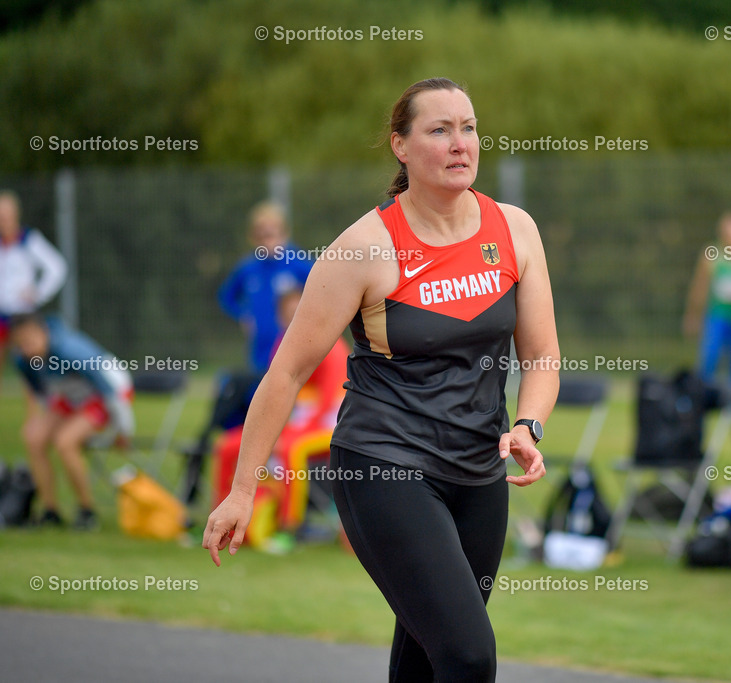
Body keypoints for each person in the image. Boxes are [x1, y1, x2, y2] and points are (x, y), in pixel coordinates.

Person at [204, 78, 559, 682]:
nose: (459, 144)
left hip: (478, 472)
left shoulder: (515, 230)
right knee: (469, 656)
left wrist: (528, 425)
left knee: (425, 660)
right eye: (439, 130)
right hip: (384, 465)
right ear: (400, 145)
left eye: (468, 128)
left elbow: (543, 353)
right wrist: (242, 489)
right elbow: (287, 371)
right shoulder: (364, 248)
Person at [180, 201, 313, 505]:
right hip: (258, 360)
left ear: (285, 232)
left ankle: (288, 496)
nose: (269, 239)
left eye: (274, 232)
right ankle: (252, 488)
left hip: (295, 361)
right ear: (254, 237)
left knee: (284, 419)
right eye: (262, 234)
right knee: (254, 417)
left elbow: (326, 295)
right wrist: (243, 315)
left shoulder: (300, 264)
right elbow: (226, 296)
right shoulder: (248, 268)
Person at [209, 285, 350, 530]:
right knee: (227, 446)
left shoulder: (333, 347)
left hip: (329, 424)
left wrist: (283, 435)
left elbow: (327, 406)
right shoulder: (283, 345)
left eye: (300, 313)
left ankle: (291, 528)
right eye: (289, 315)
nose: (295, 321)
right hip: (294, 424)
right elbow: (275, 395)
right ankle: (222, 519)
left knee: (289, 450)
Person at [10, 314, 133, 530]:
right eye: (21, 344)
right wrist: (38, 418)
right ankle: (51, 511)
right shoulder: (23, 360)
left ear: (44, 333)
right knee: (34, 438)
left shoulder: (70, 351)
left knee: (65, 442)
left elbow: (110, 391)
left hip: (108, 393)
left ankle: (87, 511)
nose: (27, 349)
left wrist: (123, 431)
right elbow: (41, 393)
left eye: (30, 341)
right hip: (71, 397)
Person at [683, 211, 731, 404]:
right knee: (709, 358)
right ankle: (701, 398)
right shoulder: (712, 254)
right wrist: (693, 315)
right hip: (717, 316)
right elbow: (700, 287)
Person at [0, 190, 68, 384]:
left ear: (15, 215)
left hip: (23, 313)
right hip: (1, 313)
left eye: (5, 215)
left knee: (30, 364)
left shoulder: (29, 240)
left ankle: (35, 412)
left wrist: (38, 293)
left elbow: (57, 267)